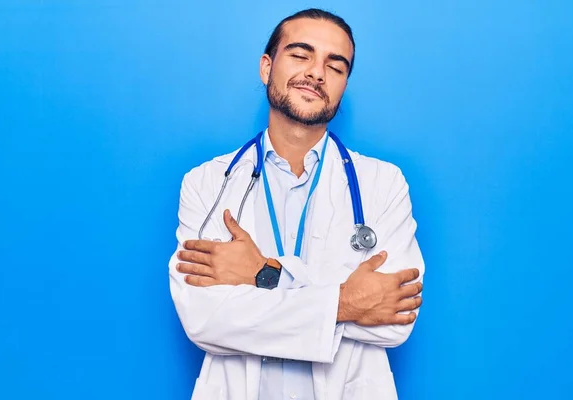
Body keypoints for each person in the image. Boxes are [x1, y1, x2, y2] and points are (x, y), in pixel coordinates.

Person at [169, 8, 425, 400]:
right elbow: (204, 318)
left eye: (335, 66)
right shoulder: (207, 184)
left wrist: (264, 275)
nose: (317, 73)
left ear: (343, 85)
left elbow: (395, 321)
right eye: (301, 55)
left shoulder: (383, 184)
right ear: (266, 67)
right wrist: (348, 302)